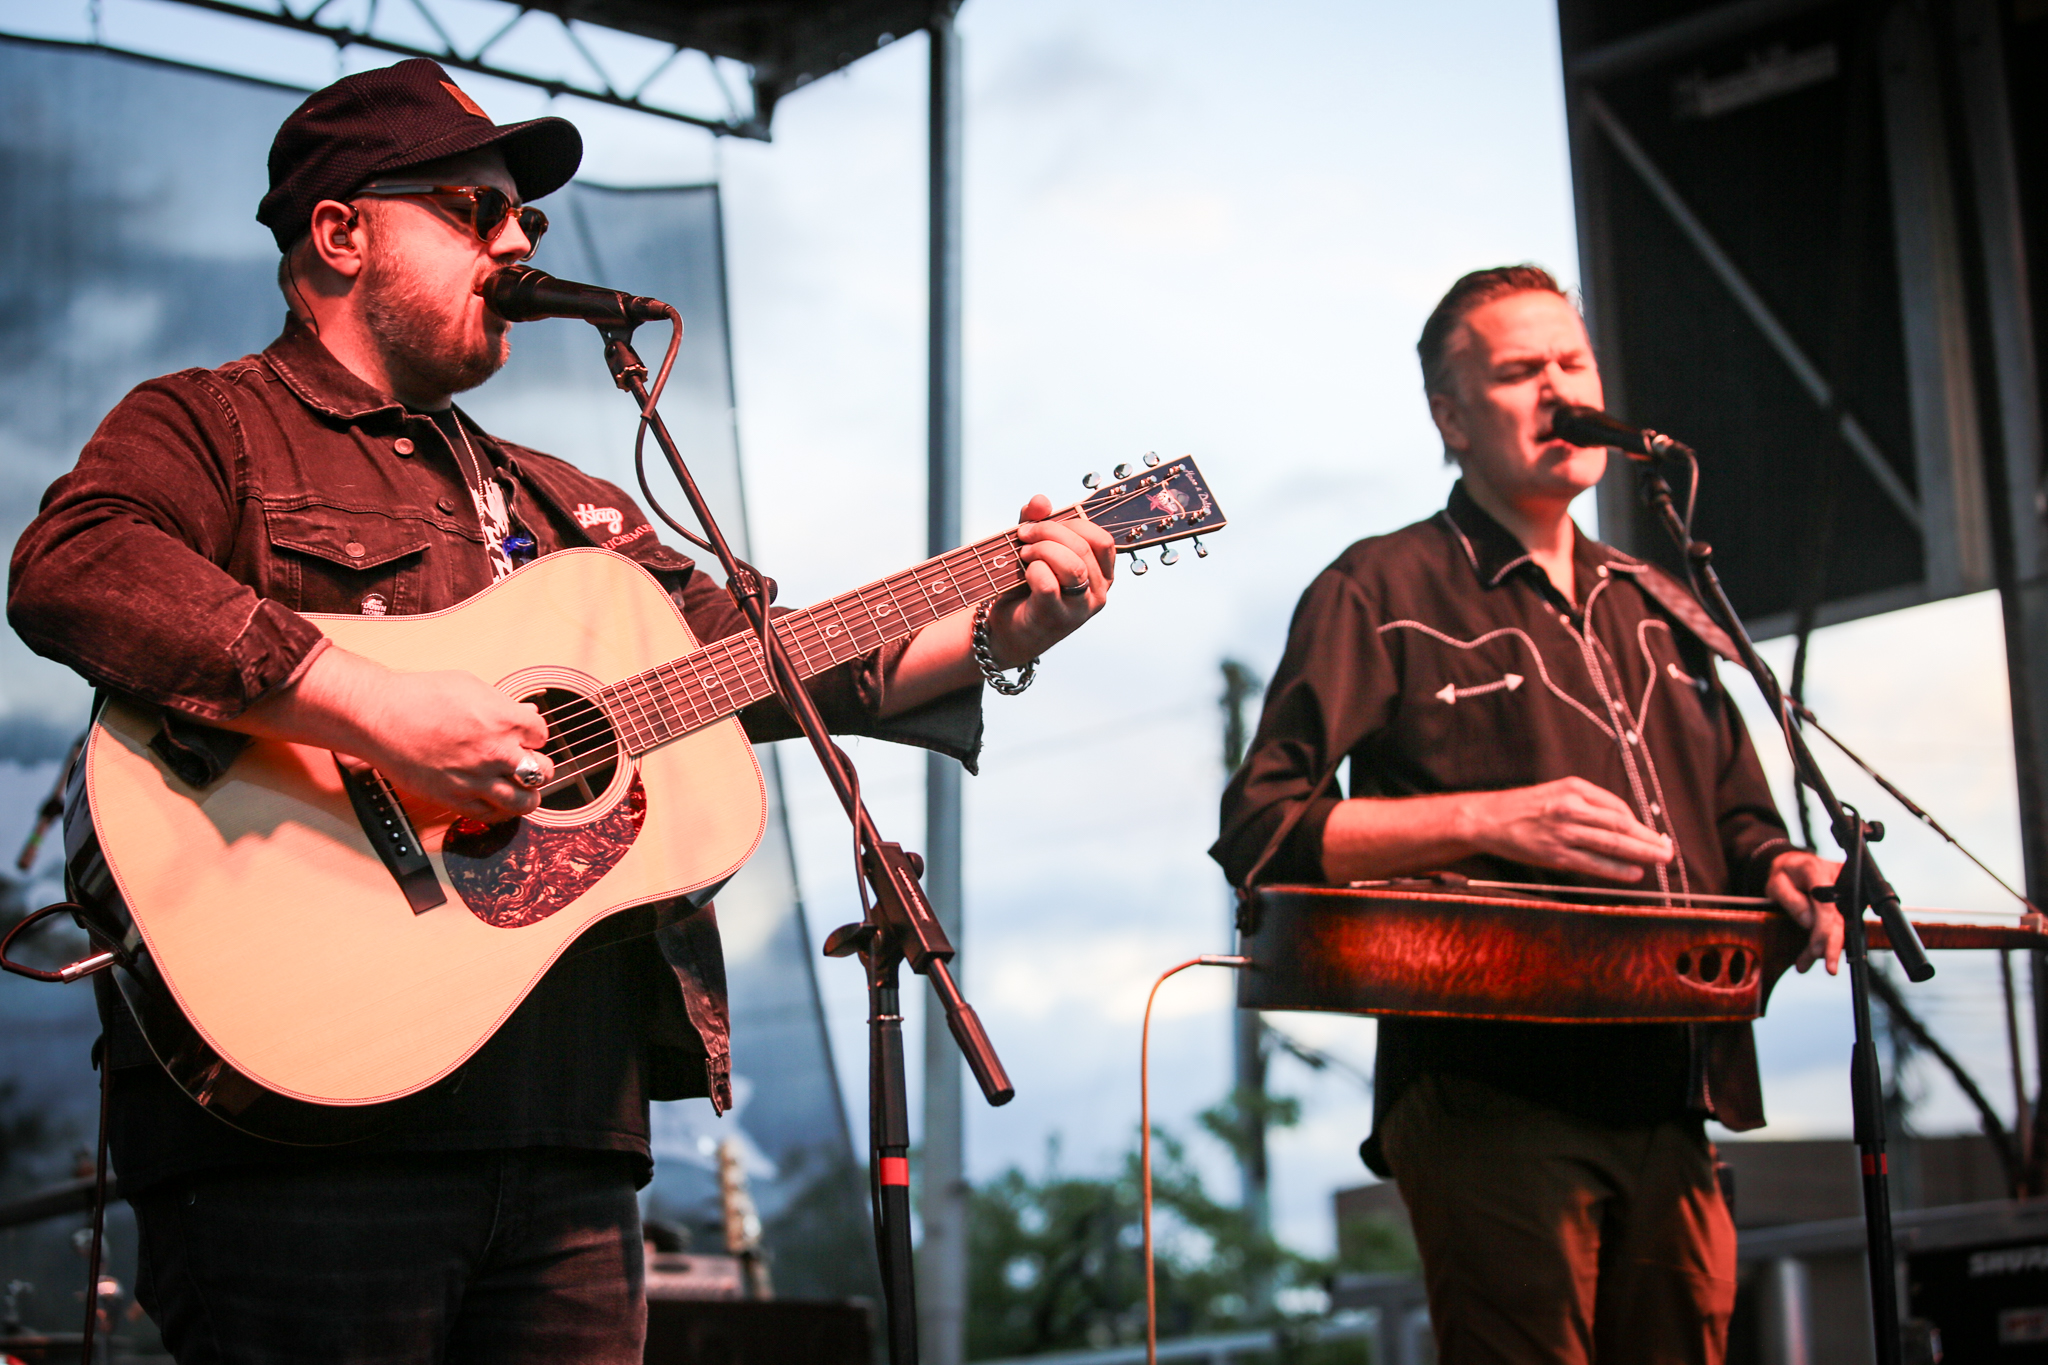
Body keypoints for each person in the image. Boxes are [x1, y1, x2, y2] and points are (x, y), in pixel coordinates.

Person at [7, 59, 1114, 1365]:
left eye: (525, 217)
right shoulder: (216, 427)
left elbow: (784, 660)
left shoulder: (568, 507)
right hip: (302, 1137)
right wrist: (377, 712)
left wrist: (1000, 625)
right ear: (341, 231)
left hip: (575, 1141)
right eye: (477, 209)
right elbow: (76, 567)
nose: (521, 237)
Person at [1211, 265, 1845, 1365]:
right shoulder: (1378, 587)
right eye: (1518, 371)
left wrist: (1786, 867)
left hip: (1673, 1083)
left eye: (1572, 362)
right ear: (1449, 418)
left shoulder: (1658, 602)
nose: (1558, 388)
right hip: (1488, 1087)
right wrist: (1492, 819)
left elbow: (1742, 827)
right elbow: (1261, 830)